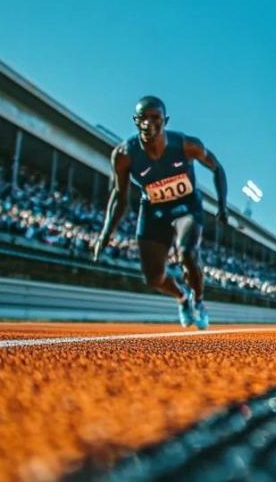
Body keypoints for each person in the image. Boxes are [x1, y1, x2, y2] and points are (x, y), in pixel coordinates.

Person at [93, 96, 228, 329]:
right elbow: (119, 196)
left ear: (165, 121)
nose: (148, 123)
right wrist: (106, 233)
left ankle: (199, 301)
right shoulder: (125, 155)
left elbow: (217, 168)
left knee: (187, 252)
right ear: (135, 122)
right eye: (142, 118)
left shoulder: (186, 145)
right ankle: (182, 297)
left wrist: (222, 205)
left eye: (155, 118)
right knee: (153, 278)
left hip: (187, 206)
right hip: (154, 210)